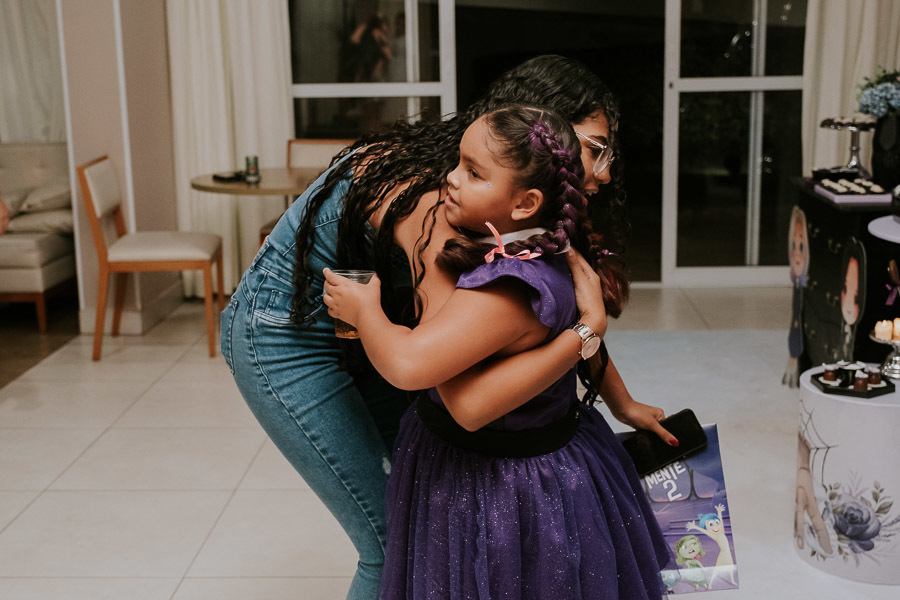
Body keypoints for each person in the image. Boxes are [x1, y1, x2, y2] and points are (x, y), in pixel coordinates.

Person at [221, 55, 673, 599]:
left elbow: (549, 320)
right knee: (389, 538)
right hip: (289, 324)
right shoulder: (443, 209)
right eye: (595, 150)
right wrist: (588, 334)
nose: (603, 173)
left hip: (374, 315)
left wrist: (620, 398)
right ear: (533, 134)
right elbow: (460, 392)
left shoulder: (511, 208)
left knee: (420, 509)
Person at [323, 105, 670, 598]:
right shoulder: (545, 247)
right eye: (458, 163)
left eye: (473, 172)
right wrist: (599, 355)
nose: (451, 179)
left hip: (504, 481)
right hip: (545, 450)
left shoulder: (509, 289)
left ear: (526, 203)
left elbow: (408, 365)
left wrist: (365, 312)